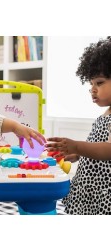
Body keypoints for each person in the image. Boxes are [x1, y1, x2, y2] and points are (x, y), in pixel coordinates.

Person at [46, 36, 111, 215]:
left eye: (99, 83)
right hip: (91, 186)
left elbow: (109, 150)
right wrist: (78, 154)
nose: (93, 89)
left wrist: (77, 145)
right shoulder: (106, 113)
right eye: (91, 84)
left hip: (104, 191)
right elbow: (99, 150)